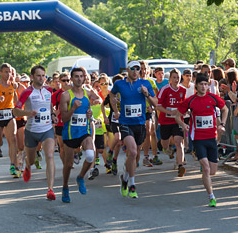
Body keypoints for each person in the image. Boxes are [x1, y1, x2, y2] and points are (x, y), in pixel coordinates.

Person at [175, 73, 228, 207]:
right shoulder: (191, 100)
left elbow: (225, 109)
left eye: (206, 84)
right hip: (198, 138)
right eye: (201, 84)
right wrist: (184, 125)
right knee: (205, 168)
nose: (204, 87)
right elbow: (177, 115)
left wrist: (222, 124)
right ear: (196, 86)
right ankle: (211, 196)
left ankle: (204, 170)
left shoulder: (213, 98)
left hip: (211, 138)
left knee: (212, 171)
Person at [110, 61, 157, 198]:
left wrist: (147, 94)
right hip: (125, 123)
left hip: (140, 124)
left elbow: (155, 103)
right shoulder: (119, 84)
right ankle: (132, 184)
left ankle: (124, 178)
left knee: (134, 156)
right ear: (127, 70)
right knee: (132, 151)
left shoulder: (145, 84)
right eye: (133, 69)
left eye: (138, 69)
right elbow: (112, 95)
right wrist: (115, 109)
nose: (136, 71)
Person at [14, 65, 57, 200]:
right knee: (32, 160)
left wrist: (53, 114)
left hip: (47, 129)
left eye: (43, 75)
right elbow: (15, 111)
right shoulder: (27, 92)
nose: (42, 78)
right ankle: (27, 165)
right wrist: (28, 113)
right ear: (32, 77)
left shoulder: (49, 91)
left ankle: (50, 189)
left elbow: (50, 106)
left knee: (50, 155)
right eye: (38, 75)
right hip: (31, 131)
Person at [60, 67, 102, 203]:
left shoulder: (88, 93)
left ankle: (81, 177)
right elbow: (64, 118)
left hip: (84, 131)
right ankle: (65, 187)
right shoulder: (65, 96)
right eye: (76, 76)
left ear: (84, 78)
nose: (79, 79)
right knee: (68, 164)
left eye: (81, 76)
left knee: (90, 155)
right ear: (71, 79)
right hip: (70, 132)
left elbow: (97, 102)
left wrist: (90, 112)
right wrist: (73, 108)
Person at [156, 69, 187, 176]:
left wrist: (183, 112)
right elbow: (158, 106)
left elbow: (184, 105)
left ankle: (180, 165)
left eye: (178, 77)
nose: (176, 80)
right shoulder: (165, 89)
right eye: (174, 77)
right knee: (164, 144)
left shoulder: (183, 90)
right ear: (170, 79)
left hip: (177, 120)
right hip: (165, 121)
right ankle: (167, 149)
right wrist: (169, 111)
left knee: (179, 142)